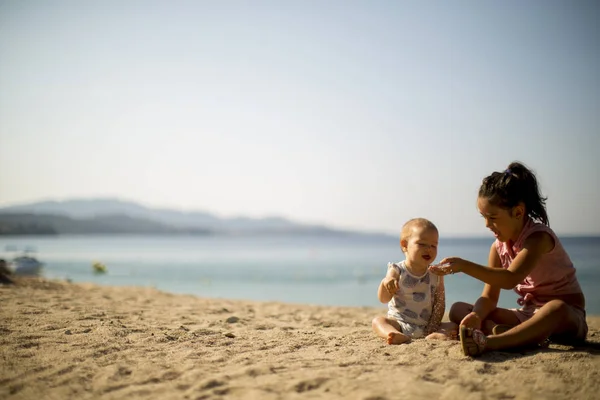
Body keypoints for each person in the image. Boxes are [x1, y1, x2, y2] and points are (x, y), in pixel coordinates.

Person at [429, 161, 587, 357]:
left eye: (493, 217)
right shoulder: (498, 248)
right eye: (483, 217)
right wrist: (477, 316)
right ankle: (514, 334)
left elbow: (510, 277)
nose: (487, 224)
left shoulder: (538, 238)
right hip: (529, 315)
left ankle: (492, 341)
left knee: (555, 308)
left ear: (518, 212)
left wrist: (464, 266)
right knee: (458, 309)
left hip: (566, 318)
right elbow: (489, 297)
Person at [372, 218, 458, 344]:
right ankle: (394, 334)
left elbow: (440, 302)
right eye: (422, 244)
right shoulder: (397, 270)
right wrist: (387, 282)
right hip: (400, 323)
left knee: (455, 325)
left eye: (433, 245)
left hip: (426, 326)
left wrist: (432, 326)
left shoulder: (436, 273)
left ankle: (434, 335)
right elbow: (383, 299)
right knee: (378, 321)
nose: (428, 249)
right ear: (405, 245)